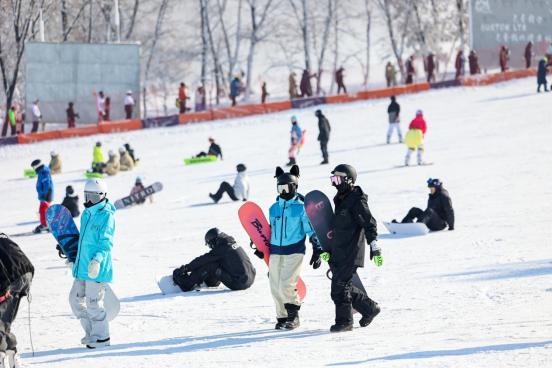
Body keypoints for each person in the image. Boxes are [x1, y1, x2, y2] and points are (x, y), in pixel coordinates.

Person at [253, 165, 321, 330]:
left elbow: (310, 229)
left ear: (294, 186)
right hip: (276, 251)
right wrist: (261, 247)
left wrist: (317, 248)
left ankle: (293, 316)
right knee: (275, 285)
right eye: (280, 187)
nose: (283, 191)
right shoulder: (273, 208)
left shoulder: (300, 208)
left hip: (294, 250)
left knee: (286, 284)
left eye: (286, 187)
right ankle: (282, 317)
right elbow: (270, 230)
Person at [325, 164, 383, 332]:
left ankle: (345, 322)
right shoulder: (340, 198)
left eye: (337, 179)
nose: (334, 183)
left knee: (339, 288)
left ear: (348, 180)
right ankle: (369, 308)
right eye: (332, 179)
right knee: (343, 286)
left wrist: (374, 246)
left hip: (351, 250)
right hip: (338, 249)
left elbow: (369, 223)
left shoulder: (356, 199)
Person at [70, 178, 115, 349]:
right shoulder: (86, 214)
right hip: (82, 267)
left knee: (94, 304)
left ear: (102, 196)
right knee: (74, 300)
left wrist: (96, 261)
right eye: (86, 196)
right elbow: (84, 241)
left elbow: (106, 243)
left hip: (97, 268)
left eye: (93, 198)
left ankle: (102, 338)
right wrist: (72, 254)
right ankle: (91, 334)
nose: (89, 201)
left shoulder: (107, 216)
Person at [173, 228, 256, 292]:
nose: (211, 247)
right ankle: (211, 281)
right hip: (249, 279)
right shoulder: (231, 244)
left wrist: (186, 268)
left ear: (213, 241)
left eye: (209, 244)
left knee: (211, 265)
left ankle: (187, 283)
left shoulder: (223, 248)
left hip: (239, 283)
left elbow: (203, 259)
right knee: (219, 261)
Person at [0, 233, 34, 367]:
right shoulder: (3, 238)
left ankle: (2, 356)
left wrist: (3, 290)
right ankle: (12, 353)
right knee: (4, 322)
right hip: (25, 273)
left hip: (10, 278)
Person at [31, 159, 53, 233]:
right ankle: (45, 224)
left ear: (37, 166)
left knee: (43, 210)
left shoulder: (44, 172)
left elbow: (47, 184)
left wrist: (46, 194)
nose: (34, 169)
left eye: (33, 167)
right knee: (42, 210)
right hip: (44, 195)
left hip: (46, 196)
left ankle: (45, 224)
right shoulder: (42, 172)